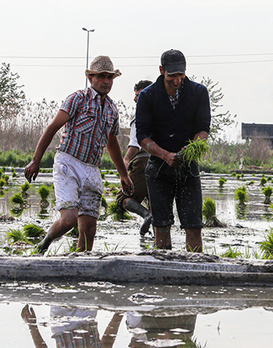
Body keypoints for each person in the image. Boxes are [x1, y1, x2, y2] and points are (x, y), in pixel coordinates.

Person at [24, 55, 132, 253]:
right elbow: (52, 128)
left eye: (109, 77)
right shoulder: (78, 99)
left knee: (89, 229)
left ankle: (81, 263)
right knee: (69, 220)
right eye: (101, 76)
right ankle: (45, 243)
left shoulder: (111, 109)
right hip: (68, 163)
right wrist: (35, 161)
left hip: (92, 169)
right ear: (91, 78)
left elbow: (112, 143)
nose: (106, 81)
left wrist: (123, 174)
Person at [136, 49, 210, 252]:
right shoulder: (147, 96)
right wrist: (166, 155)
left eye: (181, 75)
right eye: (172, 76)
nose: (177, 80)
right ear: (161, 71)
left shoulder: (198, 93)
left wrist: (190, 149)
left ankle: (195, 267)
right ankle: (163, 266)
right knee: (161, 225)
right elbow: (143, 137)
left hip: (188, 167)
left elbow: (203, 129)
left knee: (194, 225)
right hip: (158, 169)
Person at [117, 79, 153, 235]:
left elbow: (135, 145)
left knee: (122, 199)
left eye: (138, 95)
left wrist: (125, 161)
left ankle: (146, 215)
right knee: (156, 204)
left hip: (143, 162)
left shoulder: (140, 117)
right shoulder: (165, 115)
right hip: (162, 163)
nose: (134, 99)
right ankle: (158, 243)